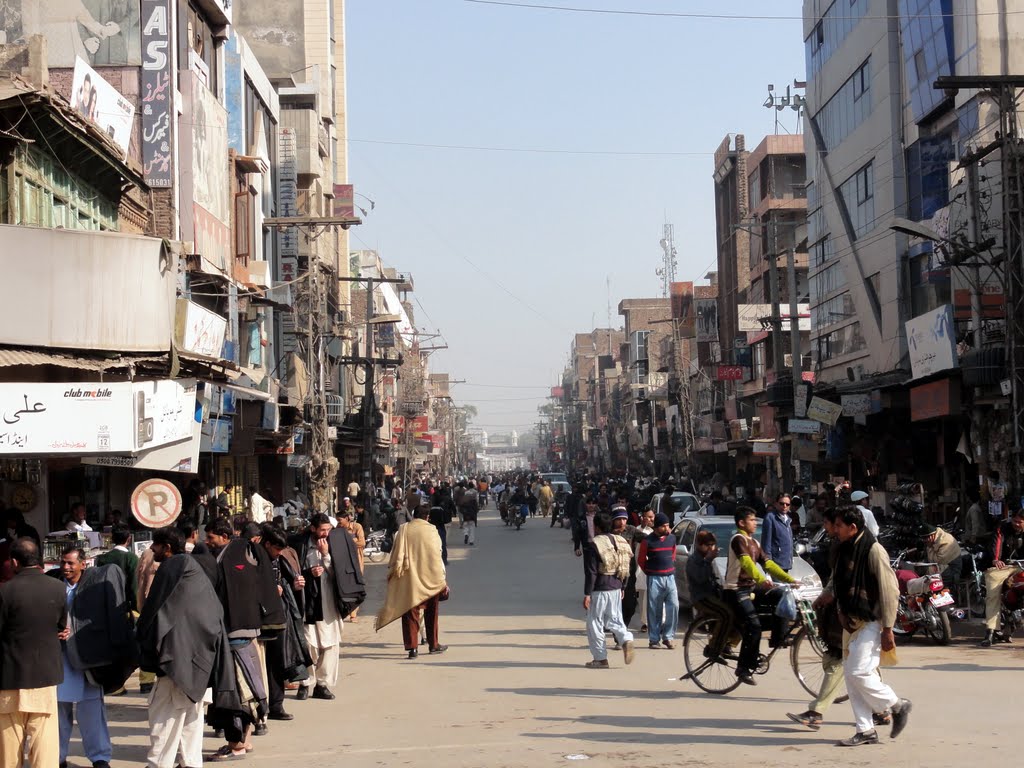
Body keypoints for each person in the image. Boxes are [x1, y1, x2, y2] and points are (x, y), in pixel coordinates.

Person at [136, 527, 231, 768]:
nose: (152, 550)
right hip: (197, 656)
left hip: (178, 658)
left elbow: (153, 612)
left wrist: (144, 645)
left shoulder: (174, 566)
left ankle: (158, 764)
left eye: (155, 545)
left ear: (167, 548)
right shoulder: (189, 566)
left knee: (164, 717)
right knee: (190, 716)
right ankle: (189, 762)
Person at [825, 505, 910, 746]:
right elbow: (839, 583)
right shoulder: (843, 549)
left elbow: (889, 590)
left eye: (839, 526)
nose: (835, 530)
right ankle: (865, 730)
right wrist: (839, 609)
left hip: (872, 620)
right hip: (850, 621)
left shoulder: (873, 550)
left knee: (857, 672)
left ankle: (897, 705)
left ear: (853, 528)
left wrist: (888, 628)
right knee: (853, 677)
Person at [56, 546, 135, 768]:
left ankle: (100, 757)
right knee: (59, 712)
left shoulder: (95, 585)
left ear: (83, 563)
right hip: (59, 658)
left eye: (71, 563)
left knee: (91, 711)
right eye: (63, 562)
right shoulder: (54, 583)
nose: (66, 567)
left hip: (88, 659)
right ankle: (58, 756)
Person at [0, 538, 68, 768]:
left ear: (14, 561)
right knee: (45, 743)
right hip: (45, 676)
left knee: (9, 746)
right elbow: (60, 626)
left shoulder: (5, 591)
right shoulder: (58, 587)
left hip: (10, 676)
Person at [292, 513, 365, 696]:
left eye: (328, 530)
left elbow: (340, 575)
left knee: (330, 643)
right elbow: (294, 570)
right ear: (313, 529)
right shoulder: (300, 545)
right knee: (308, 643)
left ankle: (322, 684)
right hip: (308, 601)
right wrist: (309, 574)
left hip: (330, 601)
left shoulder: (336, 544)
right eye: (322, 530)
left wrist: (325, 556)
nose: (326, 534)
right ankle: (305, 682)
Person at [723, 508, 796, 686]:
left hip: (750, 588)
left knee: (780, 594)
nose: (755, 523)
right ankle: (743, 669)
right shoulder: (738, 539)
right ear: (741, 523)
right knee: (753, 626)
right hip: (735, 590)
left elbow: (768, 563)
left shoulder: (754, 542)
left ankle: (778, 638)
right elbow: (747, 563)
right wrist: (761, 580)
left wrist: (790, 580)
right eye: (752, 520)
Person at [375, 504, 449, 659]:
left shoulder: (403, 529)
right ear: (427, 517)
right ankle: (433, 645)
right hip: (431, 578)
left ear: (414, 515)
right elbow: (437, 555)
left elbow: (396, 554)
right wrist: (443, 579)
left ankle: (412, 648)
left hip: (410, 578)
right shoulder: (431, 530)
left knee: (410, 613)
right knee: (432, 613)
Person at [582, 512, 635, 668]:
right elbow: (626, 566)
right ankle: (626, 639)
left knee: (595, 623)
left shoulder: (594, 544)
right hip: (617, 586)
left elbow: (591, 571)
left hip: (600, 588)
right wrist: (623, 586)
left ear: (596, 527)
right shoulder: (621, 541)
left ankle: (600, 658)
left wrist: (587, 593)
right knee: (615, 619)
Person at [980, 508, 1024, 646]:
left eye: (1020, 522)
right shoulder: (1003, 528)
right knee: (993, 594)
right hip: (1002, 566)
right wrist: (996, 559)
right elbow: (997, 543)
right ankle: (991, 631)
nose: (1016, 524)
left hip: (1021, 566)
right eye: (1015, 521)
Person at [685, 530, 733, 655]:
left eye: (713, 545)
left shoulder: (708, 559)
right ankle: (714, 647)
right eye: (708, 545)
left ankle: (727, 643)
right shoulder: (694, 560)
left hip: (713, 595)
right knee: (725, 614)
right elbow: (700, 578)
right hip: (701, 598)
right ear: (700, 545)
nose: (712, 548)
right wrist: (707, 560)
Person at [636, 512, 679, 650]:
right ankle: (654, 639)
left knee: (674, 606)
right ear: (657, 527)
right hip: (654, 578)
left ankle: (668, 637)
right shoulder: (647, 541)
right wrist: (650, 572)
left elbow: (673, 555)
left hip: (670, 578)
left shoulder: (672, 538)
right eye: (664, 526)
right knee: (654, 610)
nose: (667, 528)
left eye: (668, 525)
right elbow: (641, 561)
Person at [95, 523, 139, 612]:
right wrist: (136, 607)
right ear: (129, 538)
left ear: (112, 538)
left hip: (106, 603)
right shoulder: (131, 558)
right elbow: (134, 585)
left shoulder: (101, 558)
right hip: (124, 605)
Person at [337, 509, 366, 622]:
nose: (339, 522)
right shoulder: (338, 529)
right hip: (343, 561)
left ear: (347, 518)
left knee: (355, 586)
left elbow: (362, 543)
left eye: (340, 520)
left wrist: (346, 541)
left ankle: (353, 613)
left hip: (357, 561)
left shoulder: (357, 527)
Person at [918, 522, 962, 586]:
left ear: (932, 535)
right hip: (942, 567)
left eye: (925, 538)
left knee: (927, 574)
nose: (924, 541)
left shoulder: (946, 541)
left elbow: (939, 561)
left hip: (951, 569)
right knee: (921, 570)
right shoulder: (931, 543)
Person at [760, 493, 794, 572]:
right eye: (782, 503)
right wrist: (768, 562)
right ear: (776, 504)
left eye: (787, 504)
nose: (784, 506)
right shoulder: (770, 517)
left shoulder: (788, 519)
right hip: (775, 564)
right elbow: (766, 542)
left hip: (786, 564)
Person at [634, 509, 654, 632]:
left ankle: (650, 622)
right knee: (642, 597)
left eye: (652, 517)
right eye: (648, 517)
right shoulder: (637, 531)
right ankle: (644, 622)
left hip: (652, 568)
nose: (651, 519)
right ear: (643, 518)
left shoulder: (655, 532)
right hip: (639, 568)